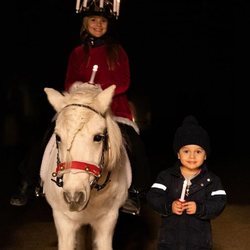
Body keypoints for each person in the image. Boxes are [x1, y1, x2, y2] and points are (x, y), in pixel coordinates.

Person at [10, 0, 151, 216]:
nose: (98, 24)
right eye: (93, 20)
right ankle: (29, 182)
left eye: (102, 21)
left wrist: (101, 91)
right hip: (79, 106)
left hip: (113, 108)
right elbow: (69, 82)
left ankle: (135, 191)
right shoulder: (77, 53)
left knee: (133, 142)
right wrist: (82, 89)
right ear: (85, 23)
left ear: (108, 25)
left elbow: (124, 81)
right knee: (49, 134)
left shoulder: (117, 51)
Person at [146, 115, 227, 250]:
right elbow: (153, 196)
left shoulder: (211, 180)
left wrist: (200, 208)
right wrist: (169, 206)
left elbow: (220, 202)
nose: (192, 156)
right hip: (169, 242)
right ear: (178, 154)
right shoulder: (166, 176)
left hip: (199, 243)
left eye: (198, 151)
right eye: (186, 151)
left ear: (205, 155)